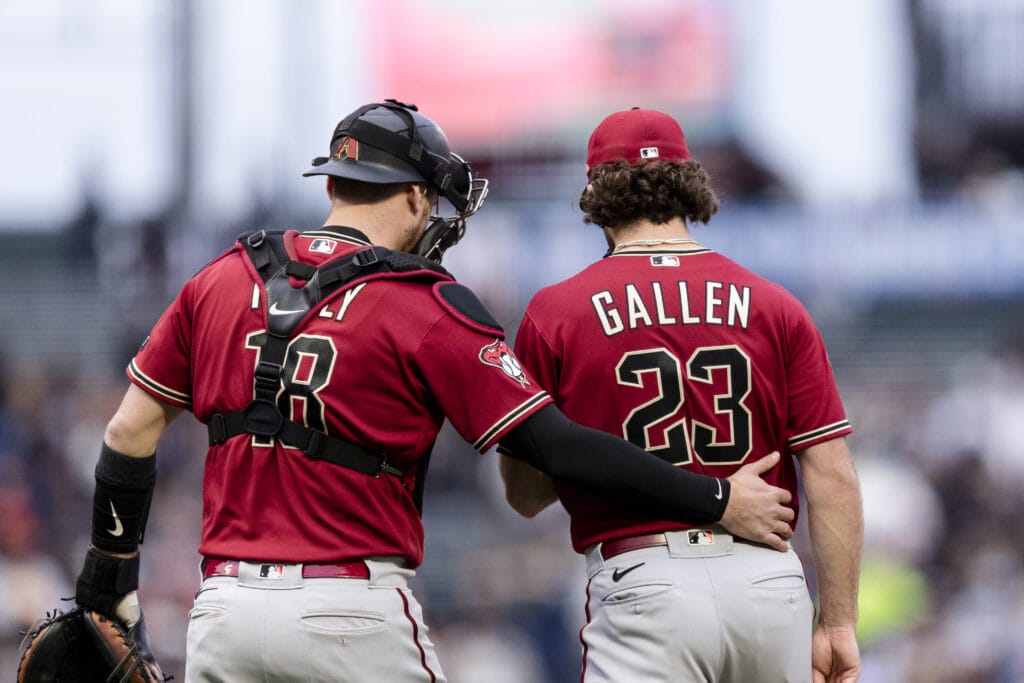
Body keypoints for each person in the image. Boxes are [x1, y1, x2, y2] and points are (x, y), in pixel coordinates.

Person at [70, 100, 797, 682]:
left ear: (331, 185)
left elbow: (128, 434)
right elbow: (554, 447)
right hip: (351, 617)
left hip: (223, 611)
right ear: (417, 197)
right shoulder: (424, 302)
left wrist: (108, 584)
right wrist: (715, 498)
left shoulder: (219, 277)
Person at [500, 108, 864, 683]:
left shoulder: (556, 313)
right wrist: (839, 622)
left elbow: (524, 494)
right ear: (691, 182)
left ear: (596, 193)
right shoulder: (775, 305)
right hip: (767, 584)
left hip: (644, 578)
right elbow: (832, 473)